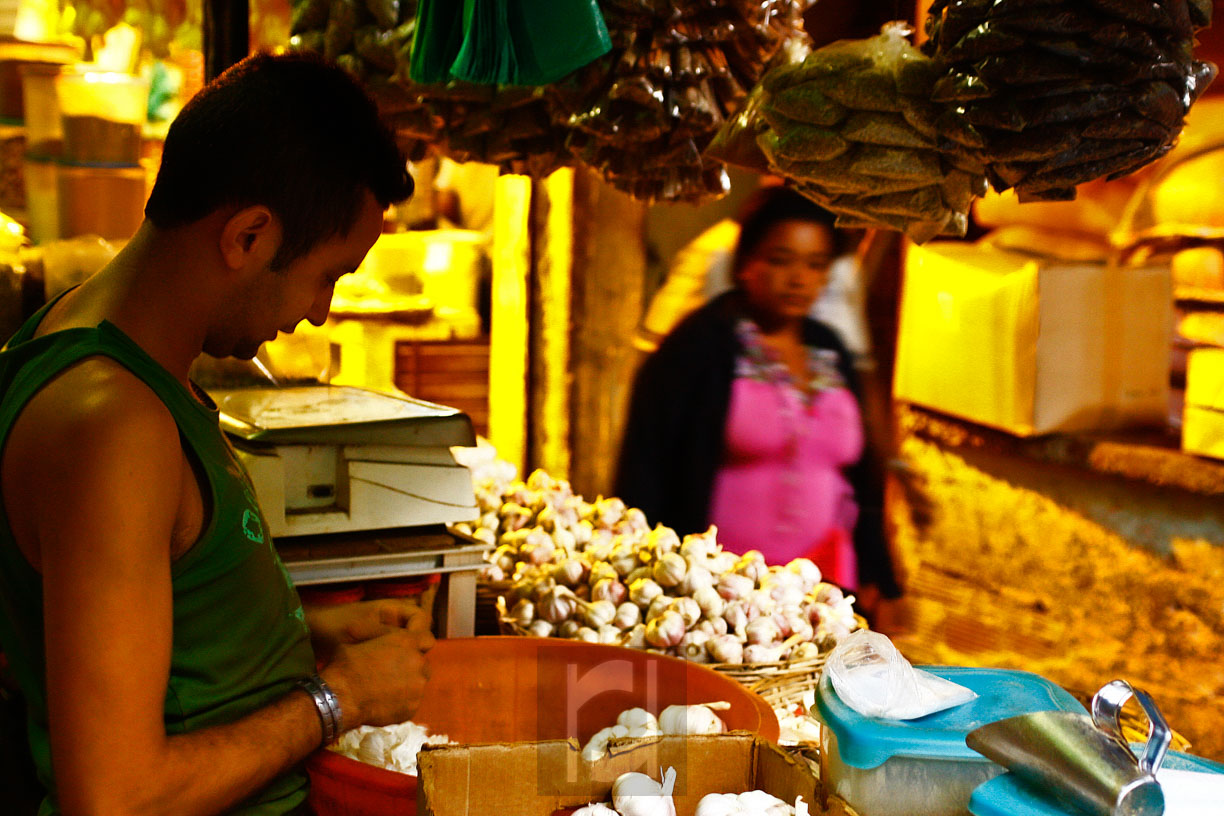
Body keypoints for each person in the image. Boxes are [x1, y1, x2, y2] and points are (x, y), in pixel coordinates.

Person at [0, 52, 434, 816]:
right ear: (247, 237)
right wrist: (337, 699)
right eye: (329, 275)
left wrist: (311, 631)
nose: (321, 310)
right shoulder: (114, 427)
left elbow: (124, 625)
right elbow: (115, 798)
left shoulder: (86, 337)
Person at [615, 186, 901, 602]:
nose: (799, 279)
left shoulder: (830, 350)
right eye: (780, 260)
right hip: (719, 601)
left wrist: (879, 574)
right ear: (746, 263)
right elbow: (644, 471)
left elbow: (864, 480)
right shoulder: (697, 349)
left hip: (825, 595)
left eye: (816, 264)